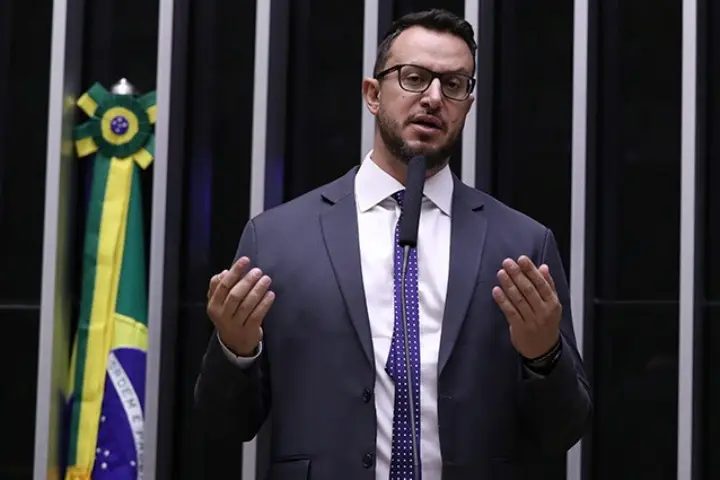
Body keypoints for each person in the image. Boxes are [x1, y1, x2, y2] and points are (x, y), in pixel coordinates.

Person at [195, 8, 592, 480]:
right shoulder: (277, 239)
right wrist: (236, 351)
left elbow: (561, 432)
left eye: (453, 84)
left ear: (468, 104)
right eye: (414, 78)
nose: (433, 98)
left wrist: (543, 355)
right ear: (372, 94)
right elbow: (225, 425)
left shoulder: (522, 245)